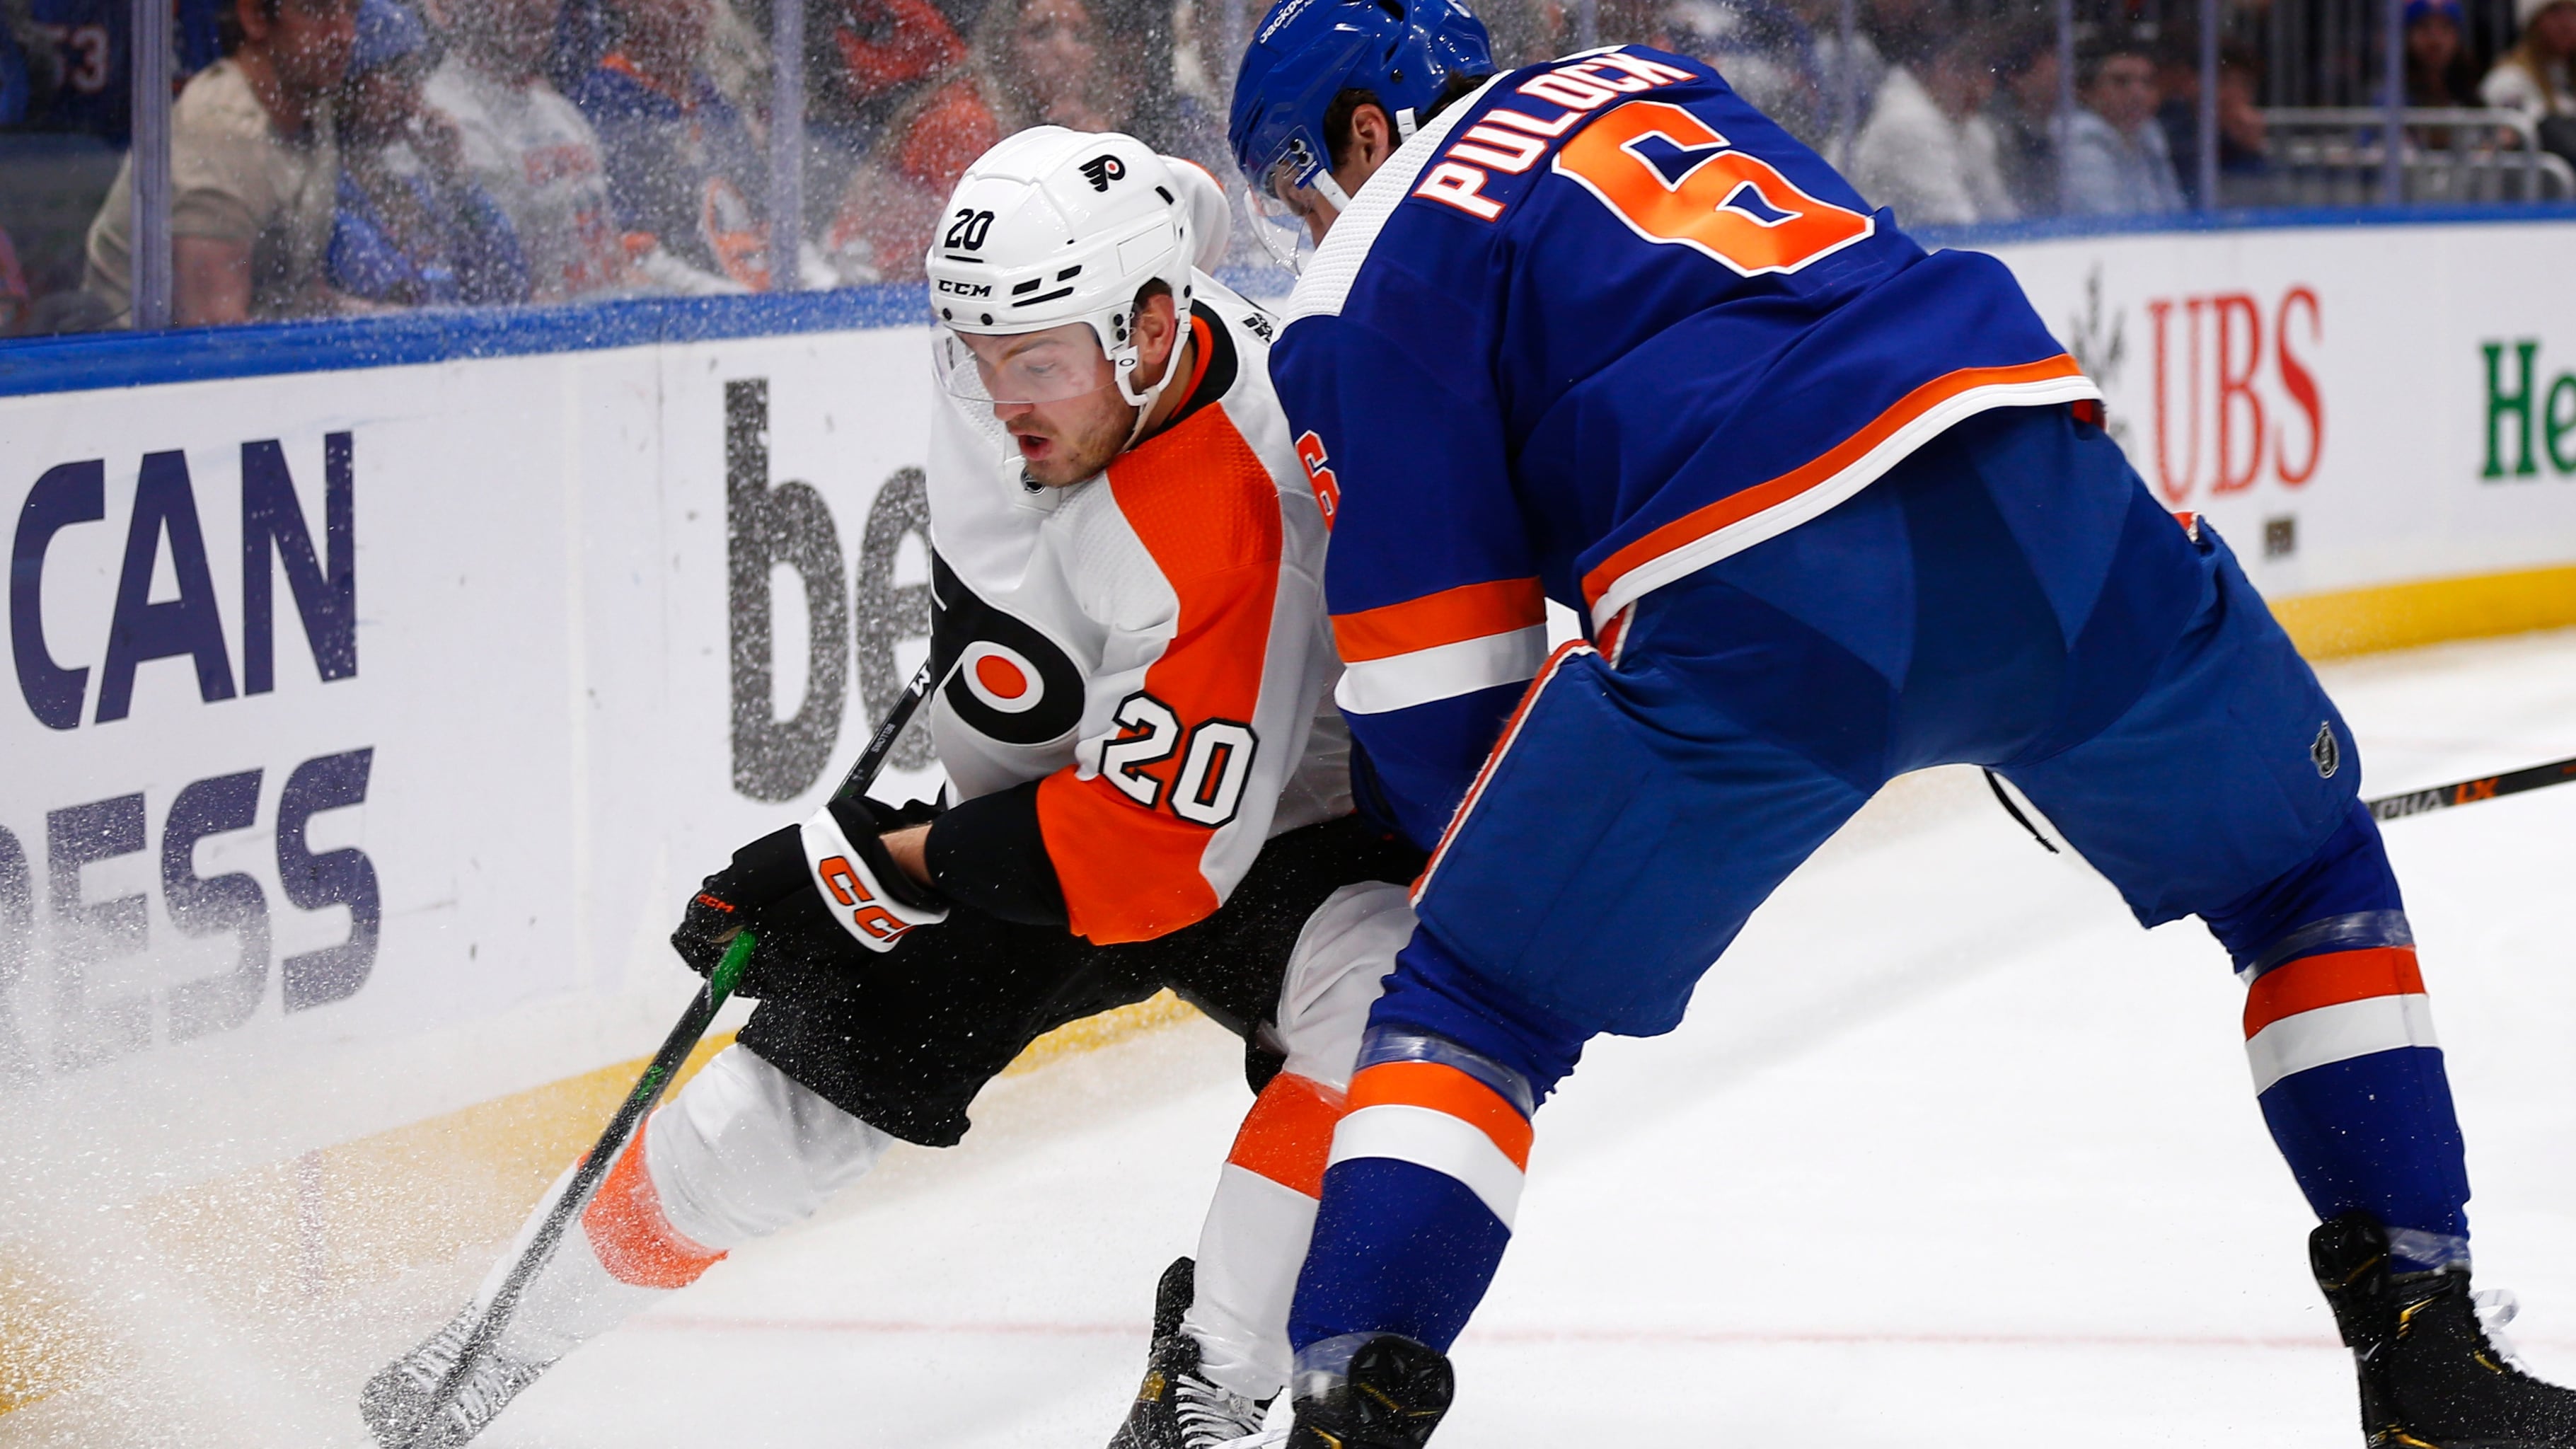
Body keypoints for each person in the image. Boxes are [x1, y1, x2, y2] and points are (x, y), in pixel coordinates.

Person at [1225, 3, 2576, 1445]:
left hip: (1755, 576)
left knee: (1472, 1004)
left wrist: (1498, 891)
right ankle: (2428, 1357)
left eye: (1301, 191)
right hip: (2026, 467)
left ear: (1364, 129)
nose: (1309, 231)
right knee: (2305, 873)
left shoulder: (1367, 272)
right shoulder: (1645, 79)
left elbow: (1443, 695)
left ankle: (1347, 1418)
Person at [358, 130, 1423, 1449]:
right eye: (977, 353)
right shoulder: (1098, 291)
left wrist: (868, 859)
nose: (1002, 397)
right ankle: (485, 1347)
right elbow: (1185, 202)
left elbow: (1152, 862)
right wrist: (878, 861)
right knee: (785, 1114)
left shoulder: (1233, 523)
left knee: (1390, 1014)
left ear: (1151, 333)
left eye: (1037, 364)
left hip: (1262, 839)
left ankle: (1210, 1375)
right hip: (1071, 793)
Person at [81, 0, 357, 325]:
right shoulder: (219, 130)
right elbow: (214, 328)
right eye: (316, 10)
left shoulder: (311, 109)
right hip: (137, 352)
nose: (344, 34)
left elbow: (303, 297)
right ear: (255, 17)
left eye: (353, 10)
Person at [823, 0, 1137, 281]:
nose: (1065, 51)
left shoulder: (1070, 124)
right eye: (1040, 33)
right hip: (886, 296)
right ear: (1003, 46)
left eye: (1081, 36)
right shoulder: (964, 123)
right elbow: (985, 254)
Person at [422, 0, 628, 300]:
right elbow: (498, 281)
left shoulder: (563, 115)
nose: (537, 5)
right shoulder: (443, 122)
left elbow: (615, 259)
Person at [328, 0, 529, 304]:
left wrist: (457, 178)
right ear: (347, 81)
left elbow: (509, 285)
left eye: (417, 77)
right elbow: (402, 300)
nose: (413, 98)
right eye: (399, 75)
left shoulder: (412, 188)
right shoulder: (329, 197)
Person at [1847, 24, 2015, 224]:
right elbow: (1954, 220)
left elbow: (1999, 212)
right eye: (1959, 69)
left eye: (1979, 70)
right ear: (1921, 71)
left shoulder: (1972, 129)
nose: (1975, 83)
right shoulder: (1907, 124)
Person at [2059, 38, 2185, 215]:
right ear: (2086, 90)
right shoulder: (2078, 138)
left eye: (2147, 82)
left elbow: (2174, 209)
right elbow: (2108, 220)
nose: (2138, 94)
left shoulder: (2149, 134)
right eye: (2121, 82)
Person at [2483, 0, 2576, 168]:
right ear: (2533, 22)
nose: (2567, 23)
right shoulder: (2509, 79)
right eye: (2555, 12)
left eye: (2573, 11)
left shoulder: (2564, 75)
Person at [1985, 21, 2062, 216]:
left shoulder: (2054, 128)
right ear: (2015, 76)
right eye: (2052, 59)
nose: (2063, 71)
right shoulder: (1998, 133)